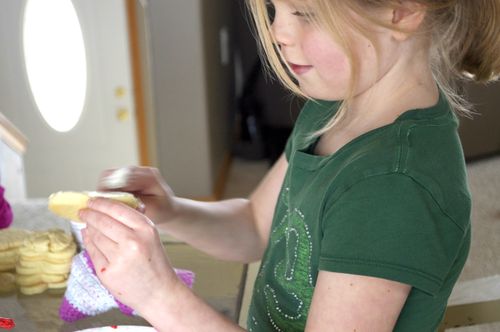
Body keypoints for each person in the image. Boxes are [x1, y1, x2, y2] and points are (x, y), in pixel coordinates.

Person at [80, 0, 500, 331]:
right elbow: (255, 226)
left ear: (402, 11)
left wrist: (159, 296)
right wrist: (171, 210)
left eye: (307, 13)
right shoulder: (336, 107)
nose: (279, 33)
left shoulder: (392, 188)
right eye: (274, 9)